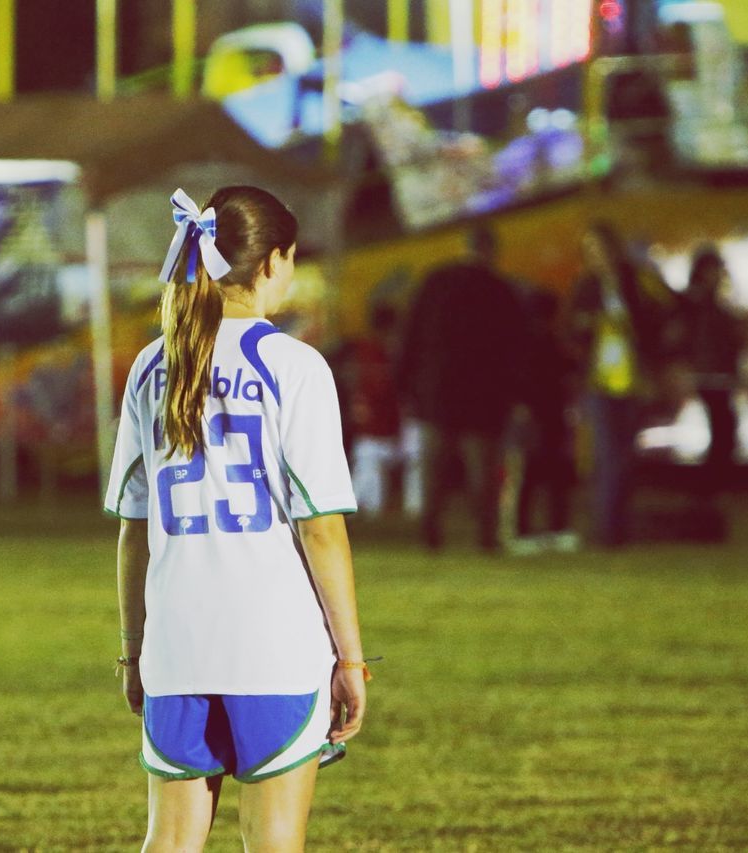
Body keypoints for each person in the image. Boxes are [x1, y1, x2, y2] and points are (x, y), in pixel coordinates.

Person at [106, 187, 369, 852]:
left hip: (178, 643)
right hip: (273, 645)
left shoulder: (150, 365)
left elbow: (134, 529)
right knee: (275, 842)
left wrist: (136, 649)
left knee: (168, 842)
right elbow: (321, 528)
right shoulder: (295, 367)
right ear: (273, 262)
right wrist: (351, 659)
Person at [396, 223, 527, 551]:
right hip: (483, 398)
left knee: (433, 471)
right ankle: (486, 537)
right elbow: (516, 348)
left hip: (435, 392)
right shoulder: (500, 290)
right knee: (482, 471)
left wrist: (405, 385)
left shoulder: (435, 282)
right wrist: (515, 394)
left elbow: (408, 336)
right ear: (491, 250)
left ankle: (430, 535)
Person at [567, 221, 670, 547]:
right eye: (591, 250)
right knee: (608, 454)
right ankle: (607, 531)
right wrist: (588, 327)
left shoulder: (636, 281)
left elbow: (664, 314)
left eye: (602, 248)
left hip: (633, 380)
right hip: (599, 382)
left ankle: (617, 525)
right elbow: (570, 330)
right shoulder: (585, 287)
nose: (598, 256)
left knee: (625, 456)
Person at [679, 245, 743, 503]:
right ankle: (707, 488)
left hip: (714, 373)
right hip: (708, 374)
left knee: (724, 428)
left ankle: (708, 488)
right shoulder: (699, 302)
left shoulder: (704, 301)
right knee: (724, 428)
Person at [515, 286, 577, 543]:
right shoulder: (549, 341)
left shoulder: (524, 343)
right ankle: (554, 527)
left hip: (535, 416)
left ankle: (525, 529)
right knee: (552, 474)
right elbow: (566, 373)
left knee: (532, 473)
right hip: (548, 415)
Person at [331, 302, 401, 517]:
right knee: (368, 462)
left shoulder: (394, 353)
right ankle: (358, 510)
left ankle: (411, 511)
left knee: (413, 454)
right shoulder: (365, 351)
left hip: (392, 430)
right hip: (372, 430)